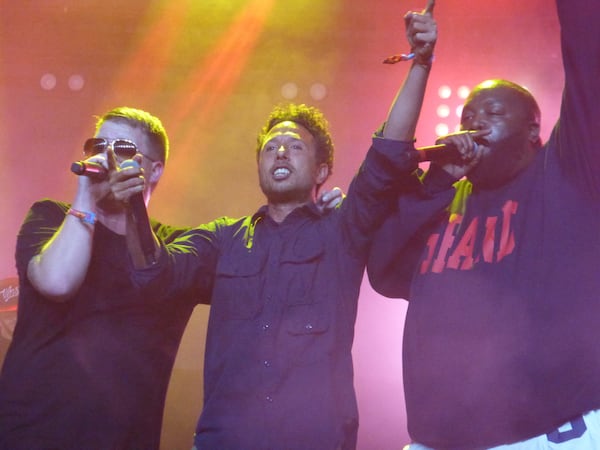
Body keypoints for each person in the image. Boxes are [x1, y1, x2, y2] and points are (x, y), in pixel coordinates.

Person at [112, 5, 437, 449]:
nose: (280, 152)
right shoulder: (222, 239)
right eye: (271, 146)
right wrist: (133, 205)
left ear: (322, 170)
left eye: (294, 146)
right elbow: (154, 274)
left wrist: (420, 62)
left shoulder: (342, 230)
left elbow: (387, 153)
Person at [367, 0, 600, 448]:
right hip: (436, 439)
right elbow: (381, 270)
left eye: (491, 114)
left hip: (548, 432)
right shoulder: (443, 200)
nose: (473, 125)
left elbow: (588, 55)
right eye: (467, 116)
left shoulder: (563, 171)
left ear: (534, 130)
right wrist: (434, 183)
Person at [0, 107, 197, 450]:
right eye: (97, 146)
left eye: (121, 149)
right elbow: (58, 283)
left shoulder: (175, 247)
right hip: (28, 434)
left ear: (155, 170)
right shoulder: (49, 216)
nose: (105, 158)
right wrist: (86, 196)